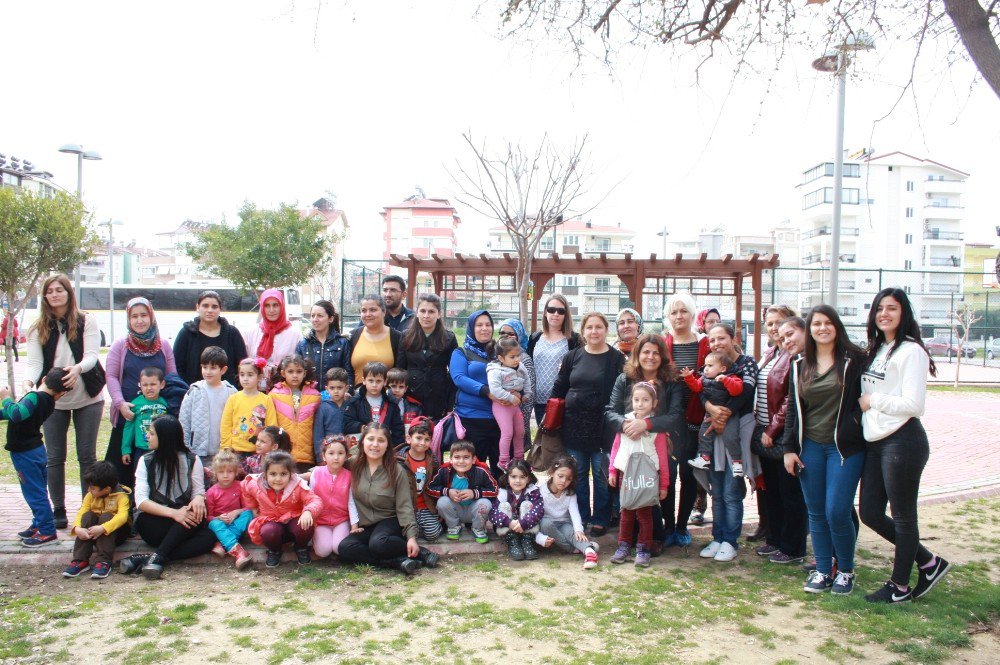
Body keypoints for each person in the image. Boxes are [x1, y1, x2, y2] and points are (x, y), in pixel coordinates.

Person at [859, 288, 950, 603]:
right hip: (876, 442)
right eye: (879, 308)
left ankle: (899, 587)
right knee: (870, 512)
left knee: (903, 517)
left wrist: (873, 400)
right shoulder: (881, 348)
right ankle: (928, 561)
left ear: (904, 313)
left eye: (892, 308)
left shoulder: (911, 351)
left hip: (902, 441)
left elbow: (914, 404)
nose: (884, 313)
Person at [781, 305, 866, 596]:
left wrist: (859, 413)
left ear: (837, 327)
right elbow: (793, 410)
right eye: (817, 323)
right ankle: (822, 570)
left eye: (828, 323)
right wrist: (788, 449)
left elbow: (868, 394)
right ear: (810, 329)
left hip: (844, 448)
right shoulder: (799, 364)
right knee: (816, 512)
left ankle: (845, 570)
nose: (822, 328)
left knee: (837, 510)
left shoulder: (854, 361)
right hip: (811, 447)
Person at [24, 274, 105, 530]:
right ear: (45, 296)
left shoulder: (86, 320)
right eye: (50, 291)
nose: (55, 294)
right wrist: (29, 383)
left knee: (87, 456)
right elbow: (35, 364)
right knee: (55, 456)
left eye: (60, 289)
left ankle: (87, 506)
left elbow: (92, 355)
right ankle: (58, 507)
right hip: (53, 401)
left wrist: (77, 369)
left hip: (87, 396)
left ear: (69, 293)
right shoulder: (37, 327)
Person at [605, 333, 684, 553]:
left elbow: (675, 415)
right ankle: (630, 537)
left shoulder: (672, 380)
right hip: (629, 443)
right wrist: (626, 424)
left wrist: (647, 424)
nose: (650, 357)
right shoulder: (625, 378)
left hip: (660, 445)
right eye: (646, 352)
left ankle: (661, 535)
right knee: (631, 491)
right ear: (637, 354)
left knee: (660, 491)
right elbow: (610, 412)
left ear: (663, 356)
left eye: (656, 352)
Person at [550, 312, 625, 536]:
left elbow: (622, 393)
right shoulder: (573, 356)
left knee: (603, 475)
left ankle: (601, 517)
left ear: (606, 329)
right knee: (579, 475)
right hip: (574, 426)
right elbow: (559, 388)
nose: (594, 331)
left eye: (599, 327)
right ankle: (581, 517)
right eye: (589, 327)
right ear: (583, 331)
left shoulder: (616, 359)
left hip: (605, 427)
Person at [119, 415, 216, 580]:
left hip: (184, 522)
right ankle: (159, 556)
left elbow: (197, 491)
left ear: (164, 437)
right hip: (156, 522)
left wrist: (199, 497)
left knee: (208, 536)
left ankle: (154, 557)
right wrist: (173, 513)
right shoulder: (146, 461)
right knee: (183, 520)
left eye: (152, 433)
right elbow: (141, 501)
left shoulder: (193, 460)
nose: (147, 436)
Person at [338, 423, 437, 575]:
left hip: (390, 520)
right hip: (366, 524)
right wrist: (306, 475)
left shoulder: (397, 470)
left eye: (381, 440)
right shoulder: (354, 464)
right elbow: (331, 466)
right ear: (363, 441)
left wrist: (411, 537)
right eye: (371, 439)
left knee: (378, 543)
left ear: (387, 445)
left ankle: (422, 552)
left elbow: (404, 506)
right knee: (345, 548)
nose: (375, 445)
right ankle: (395, 562)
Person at [698, 323, 758, 563]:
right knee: (717, 492)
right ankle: (718, 536)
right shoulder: (711, 363)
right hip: (713, 434)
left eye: (721, 338)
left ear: (733, 338)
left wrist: (724, 415)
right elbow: (703, 389)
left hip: (734, 433)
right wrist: (711, 409)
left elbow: (745, 394)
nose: (716, 344)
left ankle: (730, 541)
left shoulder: (746, 363)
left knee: (732, 492)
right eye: (712, 340)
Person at [105, 297, 177, 496]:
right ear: (128, 320)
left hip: (156, 421)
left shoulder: (163, 345)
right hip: (128, 417)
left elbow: (172, 377)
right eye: (134, 316)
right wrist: (120, 404)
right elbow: (110, 376)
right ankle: (122, 516)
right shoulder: (120, 345)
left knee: (155, 470)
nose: (139, 320)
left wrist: (168, 409)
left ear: (151, 317)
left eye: (143, 315)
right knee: (122, 469)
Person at [754, 308, 808, 566]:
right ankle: (774, 540)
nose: (774, 328)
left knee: (790, 494)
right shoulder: (771, 353)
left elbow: (790, 397)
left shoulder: (794, 357)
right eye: (770, 324)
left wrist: (773, 428)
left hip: (781, 434)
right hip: (765, 432)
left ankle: (793, 546)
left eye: (779, 324)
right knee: (772, 491)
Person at [662, 292, 710, 545]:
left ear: (692, 315)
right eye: (674, 312)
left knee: (689, 475)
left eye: (683, 311)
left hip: (695, 419)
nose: (679, 316)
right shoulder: (663, 343)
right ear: (668, 317)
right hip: (668, 421)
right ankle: (668, 527)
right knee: (667, 475)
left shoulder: (705, 344)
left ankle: (682, 527)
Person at [2, 368, 67, 547]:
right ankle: (39, 523)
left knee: (34, 492)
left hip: (26, 454)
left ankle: (47, 530)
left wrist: (5, 397)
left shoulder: (35, 397)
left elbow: (16, 414)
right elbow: (17, 413)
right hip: (36, 451)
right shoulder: (49, 402)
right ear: (61, 393)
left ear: (44, 379)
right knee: (39, 489)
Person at [608, 382, 670, 568]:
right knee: (626, 512)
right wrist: (612, 470)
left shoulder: (655, 429)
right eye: (636, 400)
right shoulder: (624, 423)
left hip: (647, 478)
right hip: (626, 476)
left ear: (654, 402)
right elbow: (616, 448)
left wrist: (664, 485)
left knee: (645, 514)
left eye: (645, 400)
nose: (640, 404)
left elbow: (662, 457)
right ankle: (624, 545)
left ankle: (644, 548)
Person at [241, 450, 321, 567]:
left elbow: (315, 500)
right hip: (272, 523)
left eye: (283, 474)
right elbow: (245, 487)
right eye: (273, 474)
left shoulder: (298, 485)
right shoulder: (256, 485)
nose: (278, 479)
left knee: (305, 526)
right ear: (265, 474)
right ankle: (275, 551)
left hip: (294, 523)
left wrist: (308, 511)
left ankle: (301, 548)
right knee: (268, 531)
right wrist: (253, 508)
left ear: (290, 474)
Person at [450, 310, 505, 477]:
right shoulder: (461, 352)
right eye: (479, 325)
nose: (484, 328)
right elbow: (459, 378)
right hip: (471, 419)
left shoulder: (501, 353)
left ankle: (500, 502)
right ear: (471, 328)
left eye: (488, 325)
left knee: (501, 469)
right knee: (472, 469)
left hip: (500, 420)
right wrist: (486, 391)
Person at [63, 461, 131, 579]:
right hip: (93, 534)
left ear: (107, 489)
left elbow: (122, 517)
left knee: (107, 516)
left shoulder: (122, 496)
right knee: (87, 515)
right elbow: (82, 511)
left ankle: (104, 561)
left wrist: (103, 528)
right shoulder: (90, 496)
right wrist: (77, 528)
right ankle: (80, 560)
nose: (89, 490)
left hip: (116, 535)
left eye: (93, 488)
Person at [395, 294, 457, 422]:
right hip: (411, 396)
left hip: (438, 395)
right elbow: (399, 369)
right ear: (417, 312)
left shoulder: (448, 338)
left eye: (431, 311)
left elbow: (453, 374)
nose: (426, 315)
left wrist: (450, 404)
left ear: (439, 314)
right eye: (422, 311)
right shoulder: (406, 336)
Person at [684, 352, 745, 476]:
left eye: (710, 365)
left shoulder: (731, 376)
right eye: (705, 365)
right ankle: (704, 458)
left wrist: (726, 380)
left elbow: (737, 390)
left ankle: (737, 462)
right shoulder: (704, 378)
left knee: (731, 436)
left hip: (729, 415)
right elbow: (696, 388)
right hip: (709, 414)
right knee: (704, 434)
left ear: (722, 369)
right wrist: (689, 378)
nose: (705, 368)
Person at [427, 440, 499, 544]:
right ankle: (454, 526)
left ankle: (478, 528)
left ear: (473, 459)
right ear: (451, 459)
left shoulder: (481, 472)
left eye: (466, 457)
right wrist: (447, 492)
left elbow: (495, 490)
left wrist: (475, 493)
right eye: (457, 457)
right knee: (442, 501)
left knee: (485, 504)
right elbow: (429, 488)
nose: (461, 461)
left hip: (474, 510)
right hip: (455, 510)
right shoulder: (444, 471)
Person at [535, 456, 600, 569]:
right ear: (551, 473)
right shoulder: (541, 492)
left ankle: (590, 552)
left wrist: (579, 530)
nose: (563, 481)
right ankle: (578, 548)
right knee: (546, 523)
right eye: (560, 476)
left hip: (563, 523)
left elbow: (574, 513)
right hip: (546, 524)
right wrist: (539, 536)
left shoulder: (570, 494)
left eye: (568, 479)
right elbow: (536, 516)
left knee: (573, 533)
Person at [172, 290, 248, 386]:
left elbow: (242, 364)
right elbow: (177, 366)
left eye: (214, 307)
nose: (210, 310)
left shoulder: (232, 333)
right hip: (193, 393)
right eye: (205, 306)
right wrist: (186, 390)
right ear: (197, 307)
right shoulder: (186, 333)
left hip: (228, 395)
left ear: (220, 309)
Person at [179, 346, 237, 468]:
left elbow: (236, 420)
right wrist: (186, 447)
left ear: (223, 369)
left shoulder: (231, 392)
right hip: (198, 450)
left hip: (223, 451)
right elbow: (184, 420)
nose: (208, 371)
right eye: (205, 367)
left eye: (213, 368)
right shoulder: (194, 391)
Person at [527, 294, 580, 427]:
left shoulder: (574, 340)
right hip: (538, 401)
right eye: (551, 310)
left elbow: (581, 367)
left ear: (566, 315)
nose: (555, 314)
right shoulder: (535, 338)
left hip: (563, 401)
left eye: (561, 311)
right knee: (545, 443)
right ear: (545, 312)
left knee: (561, 444)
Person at [309, 436, 360, 559]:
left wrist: (354, 526)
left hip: (341, 520)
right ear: (323, 456)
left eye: (340, 453)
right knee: (323, 551)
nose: (336, 457)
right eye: (331, 453)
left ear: (347, 456)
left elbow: (351, 502)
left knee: (339, 549)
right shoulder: (316, 473)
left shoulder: (349, 476)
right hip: (321, 521)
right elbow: (310, 497)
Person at [269, 354, 322, 472]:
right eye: (290, 371)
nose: (294, 375)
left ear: (304, 373)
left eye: (299, 371)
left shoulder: (315, 395)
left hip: (306, 455)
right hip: (282, 453)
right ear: (283, 373)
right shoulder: (274, 394)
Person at [487, 337, 532, 471]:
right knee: (507, 432)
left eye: (518, 355)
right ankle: (503, 461)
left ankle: (519, 459)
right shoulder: (495, 371)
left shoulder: (520, 366)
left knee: (520, 432)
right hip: (502, 406)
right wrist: (511, 398)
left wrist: (526, 394)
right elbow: (495, 389)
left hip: (515, 406)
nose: (517, 359)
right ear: (501, 358)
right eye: (512, 357)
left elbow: (527, 380)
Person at [243, 289, 301, 390]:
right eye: (267, 305)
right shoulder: (250, 333)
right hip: (254, 392)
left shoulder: (295, 335)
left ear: (282, 306)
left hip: (284, 392)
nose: (271, 310)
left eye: (275, 305)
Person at [121, 367, 169, 488]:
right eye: (145, 385)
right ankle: (139, 503)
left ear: (162, 384)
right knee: (140, 478)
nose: (149, 388)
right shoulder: (135, 404)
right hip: (141, 449)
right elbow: (129, 428)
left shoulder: (165, 403)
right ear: (140, 385)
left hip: (160, 449)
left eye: (153, 384)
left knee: (160, 477)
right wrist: (125, 449)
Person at [205, 449, 253, 569]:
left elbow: (246, 507)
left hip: (235, 523)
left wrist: (236, 512)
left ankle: (221, 544)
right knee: (214, 523)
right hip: (220, 524)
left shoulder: (240, 486)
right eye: (221, 472)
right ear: (215, 473)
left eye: (230, 471)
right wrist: (219, 518)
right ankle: (238, 553)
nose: (225, 475)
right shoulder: (211, 492)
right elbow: (208, 517)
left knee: (248, 514)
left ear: (236, 472)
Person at [396, 418, 442, 542]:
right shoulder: (398, 460)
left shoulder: (433, 461)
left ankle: (435, 524)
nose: (422, 442)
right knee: (408, 535)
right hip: (407, 508)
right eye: (419, 438)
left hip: (426, 506)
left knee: (432, 535)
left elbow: (437, 483)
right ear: (409, 438)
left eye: (427, 439)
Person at [221, 357, 278, 458]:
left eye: (250, 375)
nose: (245, 378)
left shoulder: (266, 400)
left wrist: (268, 449)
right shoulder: (233, 399)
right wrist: (226, 447)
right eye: (242, 374)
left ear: (260, 377)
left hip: (258, 452)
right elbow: (226, 425)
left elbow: (271, 426)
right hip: (235, 451)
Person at [343, 361, 405, 446]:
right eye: (371, 381)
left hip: (385, 447)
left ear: (385, 382)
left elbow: (398, 429)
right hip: (361, 446)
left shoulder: (392, 403)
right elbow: (347, 423)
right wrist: (361, 427)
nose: (374, 385)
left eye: (378, 381)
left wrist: (397, 449)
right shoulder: (355, 401)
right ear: (364, 380)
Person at [490, 460, 543, 561]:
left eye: (522, 477)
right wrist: (508, 522)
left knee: (527, 505)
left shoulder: (533, 491)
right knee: (504, 505)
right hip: (508, 525)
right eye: (513, 476)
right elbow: (493, 513)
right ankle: (512, 540)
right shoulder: (502, 492)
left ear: (528, 478)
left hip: (527, 525)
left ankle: (527, 540)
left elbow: (539, 510)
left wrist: (524, 523)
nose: (518, 481)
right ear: (507, 477)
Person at [497, 319, 535, 456]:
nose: (506, 336)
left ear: (519, 335)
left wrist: (523, 422)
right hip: (501, 417)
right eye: (502, 332)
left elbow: (529, 394)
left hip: (518, 417)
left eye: (511, 333)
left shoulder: (523, 359)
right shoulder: (498, 358)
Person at [296, 299, 353, 388]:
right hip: (309, 397)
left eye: (320, 316)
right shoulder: (303, 344)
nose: (315, 319)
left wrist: (347, 392)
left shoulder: (342, 343)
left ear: (330, 319)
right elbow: (296, 371)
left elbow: (348, 372)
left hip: (334, 398)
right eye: (312, 315)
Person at [349, 295, 402, 388]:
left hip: (386, 399)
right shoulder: (353, 336)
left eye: (373, 310)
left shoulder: (397, 337)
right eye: (364, 310)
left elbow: (401, 372)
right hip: (357, 398)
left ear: (384, 312)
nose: (368, 314)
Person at [313, 367, 348, 458]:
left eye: (339, 387)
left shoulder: (351, 405)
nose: (336, 391)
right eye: (332, 388)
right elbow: (318, 434)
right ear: (326, 389)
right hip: (329, 453)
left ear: (346, 388)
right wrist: (320, 457)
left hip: (349, 451)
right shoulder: (323, 407)